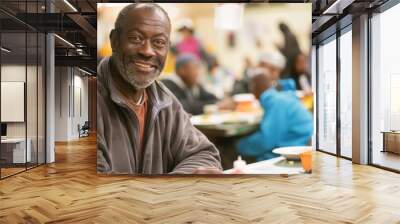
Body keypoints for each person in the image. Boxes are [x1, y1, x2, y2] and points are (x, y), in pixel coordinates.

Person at [97, 3, 222, 174]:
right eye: (136, 38)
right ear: (115, 41)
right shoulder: (89, 103)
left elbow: (204, 155)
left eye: (159, 42)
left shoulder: (164, 101)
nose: (147, 51)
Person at [236, 68, 313, 161]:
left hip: (295, 152)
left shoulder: (276, 102)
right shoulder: (281, 98)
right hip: (300, 145)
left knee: (230, 153)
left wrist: (238, 145)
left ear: (253, 87)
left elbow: (266, 141)